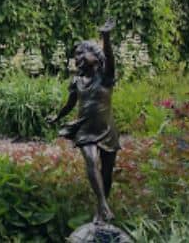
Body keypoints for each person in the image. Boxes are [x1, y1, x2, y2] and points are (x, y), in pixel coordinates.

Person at [48, 19, 119, 224]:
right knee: (90, 160)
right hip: (85, 129)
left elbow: (111, 59)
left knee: (106, 173)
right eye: (75, 56)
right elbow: (69, 105)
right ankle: (104, 205)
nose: (77, 59)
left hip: (107, 130)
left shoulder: (105, 77)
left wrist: (106, 37)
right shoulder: (77, 82)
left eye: (81, 54)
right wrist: (58, 117)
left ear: (95, 57)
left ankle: (100, 211)